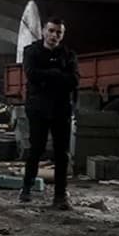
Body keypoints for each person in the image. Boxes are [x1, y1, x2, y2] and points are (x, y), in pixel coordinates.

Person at [21, 17, 78, 209]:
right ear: (44, 31)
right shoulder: (31, 52)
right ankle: (26, 189)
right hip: (38, 109)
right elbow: (31, 74)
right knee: (36, 149)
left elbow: (74, 80)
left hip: (61, 109)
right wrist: (56, 74)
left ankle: (60, 196)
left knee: (62, 153)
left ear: (62, 35)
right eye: (51, 31)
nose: (54, 35)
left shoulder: (68, 55)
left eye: (58, 33)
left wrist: (49, 75)